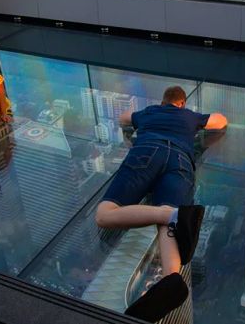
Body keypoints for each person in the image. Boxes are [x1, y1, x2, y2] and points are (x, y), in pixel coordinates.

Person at [95, 86, 227, 323]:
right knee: (168, 228)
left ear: (164, 101)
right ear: (181, 103)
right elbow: (220, 121)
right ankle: (171, 278)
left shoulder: (150, 112)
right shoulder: (189, 116)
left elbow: (123, 118)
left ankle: (169, 214)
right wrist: (197, 123)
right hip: (181, 161)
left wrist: (141, 118)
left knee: (104, 215)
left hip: (146, 152)